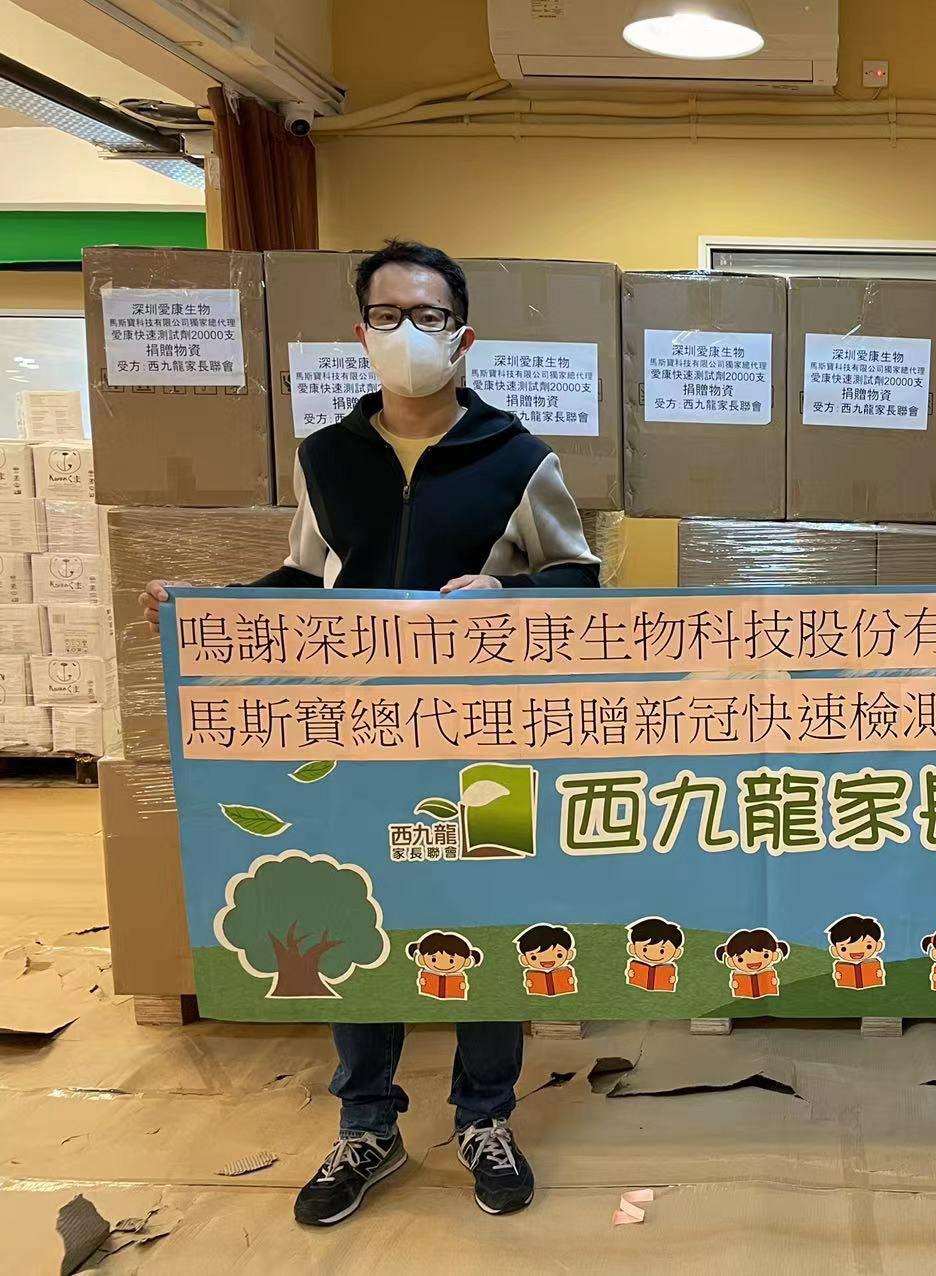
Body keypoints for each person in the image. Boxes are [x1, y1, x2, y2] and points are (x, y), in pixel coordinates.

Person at [140, 239, 601, 1227]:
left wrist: (509, 592)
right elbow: (307, 578)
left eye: (428, 316)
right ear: (361, 334)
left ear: (462, 336)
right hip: (355, 731)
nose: (407, 333)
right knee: (354, 910)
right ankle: (365, 1124)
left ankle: (484, 1116)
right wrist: (204, 604)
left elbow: (578, 577)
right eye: (387, 316)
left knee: (482, 918)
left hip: (483, 740)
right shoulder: (327, 457)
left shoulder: (520, 457)